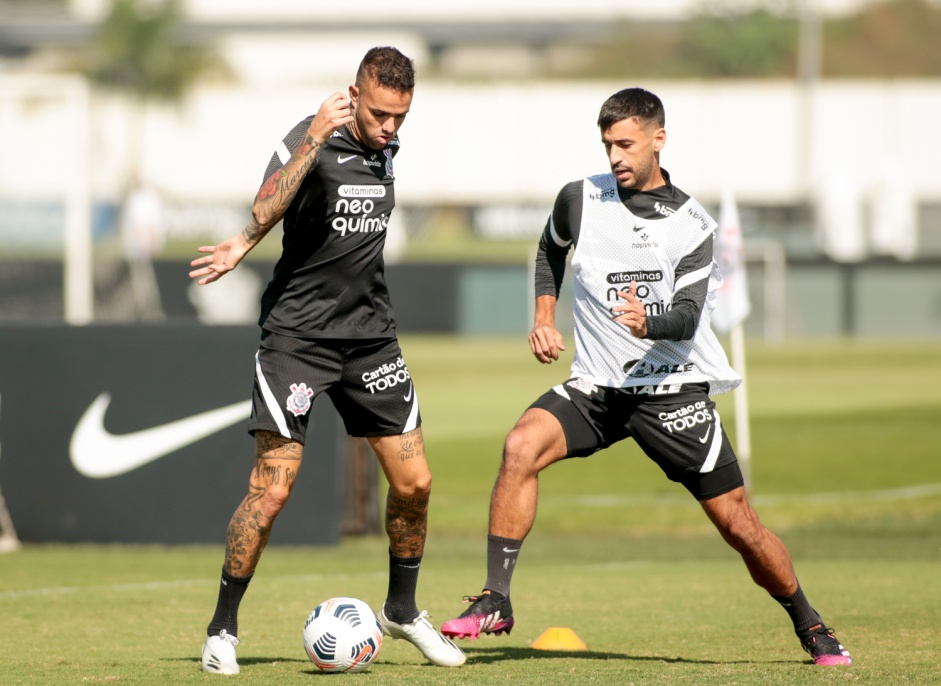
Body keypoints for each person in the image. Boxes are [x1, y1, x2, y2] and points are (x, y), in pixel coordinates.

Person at [440, 87, 852, 667]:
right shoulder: (578, 199)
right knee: (520, 445)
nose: (615, 157)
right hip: (598, 388)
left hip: (671, 391)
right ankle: (495, 598)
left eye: (626, 144)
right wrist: (542, 317)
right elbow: (548, 252)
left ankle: (810, 623)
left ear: (659, 138)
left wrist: (646, 319)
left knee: (739, 525)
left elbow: (685, 318)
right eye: (608, 144)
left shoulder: (691, 225)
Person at [189, 46, 465, 674]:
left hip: (370, 338)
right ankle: (222, 629)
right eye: (378, 114)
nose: (389, 127)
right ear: (352, 94)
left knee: (416, 483)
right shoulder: (312, 135)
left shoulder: (386, 148)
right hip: (297, 339)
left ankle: (401, 609)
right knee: (273, 489)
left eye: (400, 116)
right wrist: (311, 139)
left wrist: (382, 137)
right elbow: (265, 207)